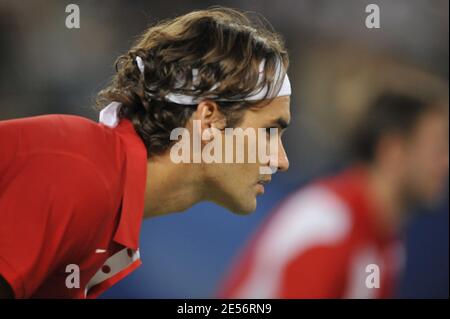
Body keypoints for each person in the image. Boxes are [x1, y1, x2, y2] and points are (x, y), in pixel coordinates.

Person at [0, 7, 291, 298]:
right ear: (208, 119)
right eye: (269, 131)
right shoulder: (81, 173)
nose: (281, 161)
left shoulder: (103, 199)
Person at [219, 91, 448, 298]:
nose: (445, 164)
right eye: (437, 150)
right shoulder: (330, 226)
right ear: (393, 152)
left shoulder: (388, 242)